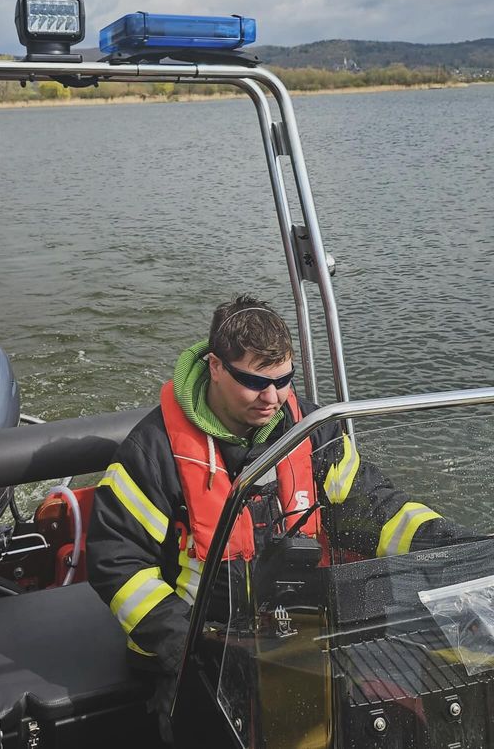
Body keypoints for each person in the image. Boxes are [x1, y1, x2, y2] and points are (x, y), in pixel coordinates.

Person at [87, 295, 470, 736]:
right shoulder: (151, 452)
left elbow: (376, 509)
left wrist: (451, 544)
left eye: (284, 380)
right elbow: (118, 562)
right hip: (196, 648)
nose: (273, 398)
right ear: (215, 366)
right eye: (254, 382)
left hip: (298, 635)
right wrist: (185, 644)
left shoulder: (312, 427)